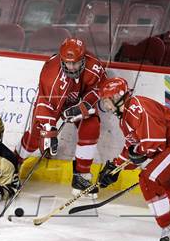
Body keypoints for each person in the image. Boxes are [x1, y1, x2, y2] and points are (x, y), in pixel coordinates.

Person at [97, 77, 170, 241]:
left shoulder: (136, 107)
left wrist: (137, 153)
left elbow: (152, 143)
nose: (107, 106)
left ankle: (167, 227)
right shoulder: (124, 118)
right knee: (163, 179)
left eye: (107, 101)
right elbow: (133, 148)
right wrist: (115, 167)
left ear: (117, 96)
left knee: (148, 179)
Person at [15, 38, 106, 197]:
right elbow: (46, 104)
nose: (71, 67)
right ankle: (14, 164)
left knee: (91, 127)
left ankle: (81, 176)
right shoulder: (51, 74)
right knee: (35, 136)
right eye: (68, 63)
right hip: (52, 102)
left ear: (83, 58)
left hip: (80, 100)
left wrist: (84, 105)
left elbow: (100, 88)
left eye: (76, 63)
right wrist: (48, 131)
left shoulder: (94, 66)